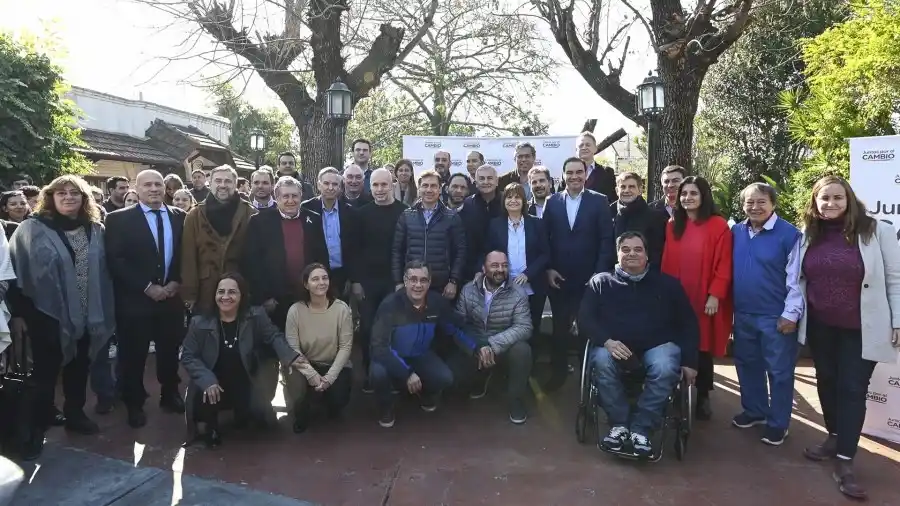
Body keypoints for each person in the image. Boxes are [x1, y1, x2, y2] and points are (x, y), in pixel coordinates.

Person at [797, 175, 900, 500]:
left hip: (862, 328)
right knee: (826, 381)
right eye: (823, 198)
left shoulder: (875, 230)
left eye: (837, 198)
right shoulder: (808, 234)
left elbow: (895, 278)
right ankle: (835, 435)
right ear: (815, 202)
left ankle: (845, 460)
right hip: (821, 326)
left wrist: (898, 319)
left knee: (852, 388)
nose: (830, 204)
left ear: (849, 199)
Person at [8, 175, 116, 459]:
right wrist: (20, 314)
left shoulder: (95, 229)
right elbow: (17, 275)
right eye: (62, 193)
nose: (69, 197)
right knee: (45, 374)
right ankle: (34, 427)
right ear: (50, 198)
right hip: (46, 315)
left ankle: (75, 413)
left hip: (87, 315)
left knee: (79, 368)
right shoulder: (32, 229)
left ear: (84, 199)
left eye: (75, 193)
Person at [580, 232, 699, 458]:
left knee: (665, 366)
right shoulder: (601, 283)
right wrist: (607, 341)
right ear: (617, 254)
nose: (631, 254)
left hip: (657, 346)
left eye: (637, 249)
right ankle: (619, 425)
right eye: (625, 249)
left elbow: (688, 323)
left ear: (646, 255)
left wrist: (690, 361)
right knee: (601, 360)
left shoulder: (668, 285)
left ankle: (641, 429)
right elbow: (585, 319)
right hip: (615, 346)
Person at [181, 273, 306, 448]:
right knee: (208, 394)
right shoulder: (199, 323)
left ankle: (246, 412)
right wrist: (207, 380)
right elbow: (187, 355)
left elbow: (273, 336)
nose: (225, 297)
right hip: (213, 383)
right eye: (221, 292)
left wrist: (290, 356)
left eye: (232, 292)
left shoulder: (256, 316)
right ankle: (212, 427)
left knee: (260, 419)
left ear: (242, 295)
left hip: (245, 379)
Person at [105, 170, 187, 428]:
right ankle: (134, 403)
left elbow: (185, 254)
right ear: (136, 189)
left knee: (169, 352)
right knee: (134, 356)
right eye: (147, 185)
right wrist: (146, 286)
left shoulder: (181, 217)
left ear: (166, 188)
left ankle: (170, 394)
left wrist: (176, 282)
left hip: (171, 300)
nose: (153, 189)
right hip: (135, 302)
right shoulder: (118, 220)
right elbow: (116, 260)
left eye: (158, 184)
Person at [730, 183, 802, 446]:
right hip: (743, 312)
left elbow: (797, 278)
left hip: (776, 315)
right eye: (750, 202)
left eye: (761, 202)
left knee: (779, 371)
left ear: (773, 204)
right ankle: (754, 411)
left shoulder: (790, 234)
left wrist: (791, 314)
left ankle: (778, 423)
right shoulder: (736, 231)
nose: (755, 207)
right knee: (747, 364)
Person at [369, 261, 476, 427]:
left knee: (445, 378)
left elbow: (455, 328)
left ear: (430, 282)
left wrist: (477, 348)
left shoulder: (437, 302)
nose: (418, 285)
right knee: (378, 374)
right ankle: (386, 407)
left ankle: (424, 392)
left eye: (423, 280)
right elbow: (379, 347)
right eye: (413, 279)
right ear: (405, 281)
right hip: (391, 356)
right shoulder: (389, 305)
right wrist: (407, 373)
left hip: (421, 355)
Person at [661, 176, 733, 420]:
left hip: (703, 296)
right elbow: (666, 261)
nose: (687, 198)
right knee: (674, 344)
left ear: (703, 197)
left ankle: (703, 395)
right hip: (677, 294)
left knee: (701, 346)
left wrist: (715, 295)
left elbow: (724, 264)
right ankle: (674, 393)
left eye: (693, 193)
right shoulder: (673, 224)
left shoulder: (718, 225)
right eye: (684, 194)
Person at [542, 156, 616, 391]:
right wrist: (549, 268)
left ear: (586, 174)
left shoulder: (600, 201)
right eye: (569, 173)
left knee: (588, 329)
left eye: (578, 172)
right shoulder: (552, 202)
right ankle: (558, 373)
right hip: (559, 279)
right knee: (559, 330)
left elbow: (607, 240)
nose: (574, 177)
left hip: (590, 280)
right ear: (562, 176)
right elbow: (545, 240)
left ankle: (590, 376)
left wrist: (599, 274)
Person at [452, 251, 533, 424]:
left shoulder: (518, 293)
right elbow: (458, 324)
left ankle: (516, 399)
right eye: (495, 265)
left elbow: (524, 327)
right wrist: (477, 347)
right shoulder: (468, 290)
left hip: (503, 345)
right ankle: (480, 378)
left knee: (523, 351)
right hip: (476, 344)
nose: (500, 270)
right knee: (454, 381)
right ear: (483, 268)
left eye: (504, 265)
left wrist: (491, 344)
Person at [283, 264, 353, 433]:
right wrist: (311, 373)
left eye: (324, 278)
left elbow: (345, 346)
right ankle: (302, 413)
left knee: (338, 400)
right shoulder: (295, 311)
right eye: (315, 279)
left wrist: (329, 377)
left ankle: (326, 398)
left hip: (333, 363)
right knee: (299, 391)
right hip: (305, 364)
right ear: (306, 284)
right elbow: (293, 348)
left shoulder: (341, 309)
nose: (321, 282)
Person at [357, 168, 408, 391]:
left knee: (394, 329)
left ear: (392, 184)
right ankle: (370, 372)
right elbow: (354, 249)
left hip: (395, 281)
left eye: (383, 185)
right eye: (375, 185)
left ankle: (395, 373)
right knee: (368, 328)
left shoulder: (405, 212)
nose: (379, 189)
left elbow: (408, 248)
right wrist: (356, 280)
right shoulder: (362, 213)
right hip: (367, 283)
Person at [181, 164, 256, 314]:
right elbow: (188, 257)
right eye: (218, 181)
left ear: (235, 184)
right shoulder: (194, 215)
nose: (223, 185)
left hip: (239, 287)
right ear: (211, 183)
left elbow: (258, 257)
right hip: (205, 289)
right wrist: (189, 294)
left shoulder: (250, 213)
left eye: (227, 181)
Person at [486, 183, 549, 350]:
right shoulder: (495, 225)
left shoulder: (537, 224)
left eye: (517, 197)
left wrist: (528, 274)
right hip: (504, 286)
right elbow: (489, 253)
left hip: (533, 286)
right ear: (503, 201)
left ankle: (532, 370)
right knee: (508, 328)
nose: (513, 200)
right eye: (509, 197)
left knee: (532, 327)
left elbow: (545, 254)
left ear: (524, 201)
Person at [391, 170, 467, 300]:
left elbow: (460, 252)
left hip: (441, 287)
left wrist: (453, 281)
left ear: (440, 188)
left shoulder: (452, 217)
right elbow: (397, 251)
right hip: (412, 284)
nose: (429, 190)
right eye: (425, 185)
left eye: (433, 186)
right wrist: (398, 282)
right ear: (419, 188)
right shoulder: (407, 216)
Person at [301, 167, 362, 299]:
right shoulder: (305, 208)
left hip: (342, 276)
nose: (330, 187)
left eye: (335, 184)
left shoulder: (351, 213)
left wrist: (354, 280)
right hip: (315, 275)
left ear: (341, 187)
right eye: (326, 183)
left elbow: (355, 249)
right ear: (318, 185)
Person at [611, 172, 668, 269]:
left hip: (644, 275)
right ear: (617, 190)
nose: (627, 190)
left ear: (640, 190)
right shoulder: (607, 214)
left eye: (632, 187)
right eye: (623, 187)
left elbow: (657, 252)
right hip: (612, 275)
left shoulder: (655, 217)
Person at [458, 164, 503, 282]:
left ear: (497, 181)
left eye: (489, 178)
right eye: (481, 179)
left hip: (502, 266)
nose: (485, 182)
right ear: (476, 182)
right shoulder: (467, 204)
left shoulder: (506, 202)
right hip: (471, 269)